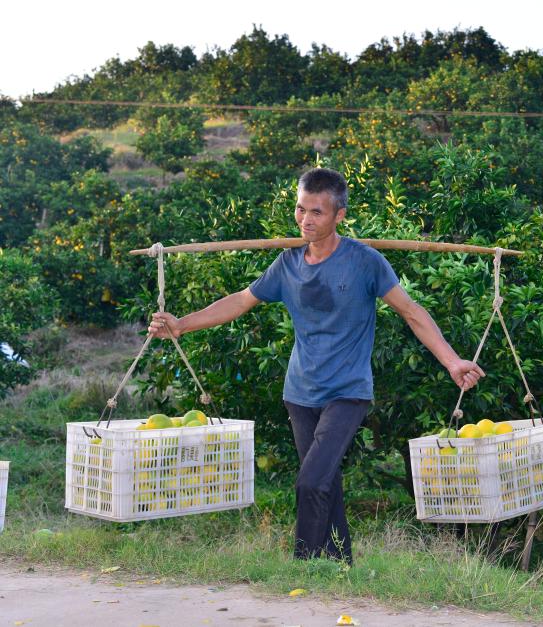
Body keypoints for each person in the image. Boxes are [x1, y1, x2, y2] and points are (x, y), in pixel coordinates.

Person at [149, 168, 485, 565]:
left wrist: (452, 361)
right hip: (300, 393)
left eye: (317, 213)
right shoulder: (288, 264)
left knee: (310, 481)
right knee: (325, 484)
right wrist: (181, 325)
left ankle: (304, 566)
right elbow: (240, 301)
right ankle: (341, 566)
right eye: (300, 209)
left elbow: (412, 313)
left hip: (347, 392)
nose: (305, 220)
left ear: (339, 215)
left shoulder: (365, 262)